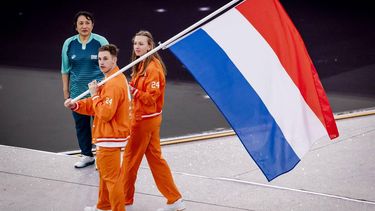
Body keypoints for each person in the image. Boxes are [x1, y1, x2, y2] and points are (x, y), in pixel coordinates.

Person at [122, 30, 186, 211]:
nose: (137, 47)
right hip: (149, 120)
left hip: (144, 121)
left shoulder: (152, 68)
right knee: (156, 160)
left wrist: (132, 90)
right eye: (135, 43)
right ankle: (175, 200)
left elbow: (151, 98)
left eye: (141, 44)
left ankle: (125, 201)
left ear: (150, 46)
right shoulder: (142, 64)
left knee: (129, 160)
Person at [64, 44, 130, 211]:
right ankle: (103, 206)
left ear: (114, 60)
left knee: (111, 179)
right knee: (106, 176)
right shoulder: (109, 79)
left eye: (106, 59)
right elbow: (96, 105)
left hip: (110, 138)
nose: (101, 62)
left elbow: (105, 113)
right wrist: (77, 105)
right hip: (109, 136)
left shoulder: (114, 83)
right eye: (100, 59)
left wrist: (94, 95)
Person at [61, 11, 109, 168]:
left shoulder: (100, 41)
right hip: (77, 93)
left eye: (87, 23)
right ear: (75, 26)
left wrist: (107, 89)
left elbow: (109, 67)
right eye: (81, 23)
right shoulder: (69, 43)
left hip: (98, 92)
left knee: (100, 126)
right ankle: (87, 155)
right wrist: (66, 91)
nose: (84, 26)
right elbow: (65, 69)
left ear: (92, 25)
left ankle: (101, 156)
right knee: (81, 126)